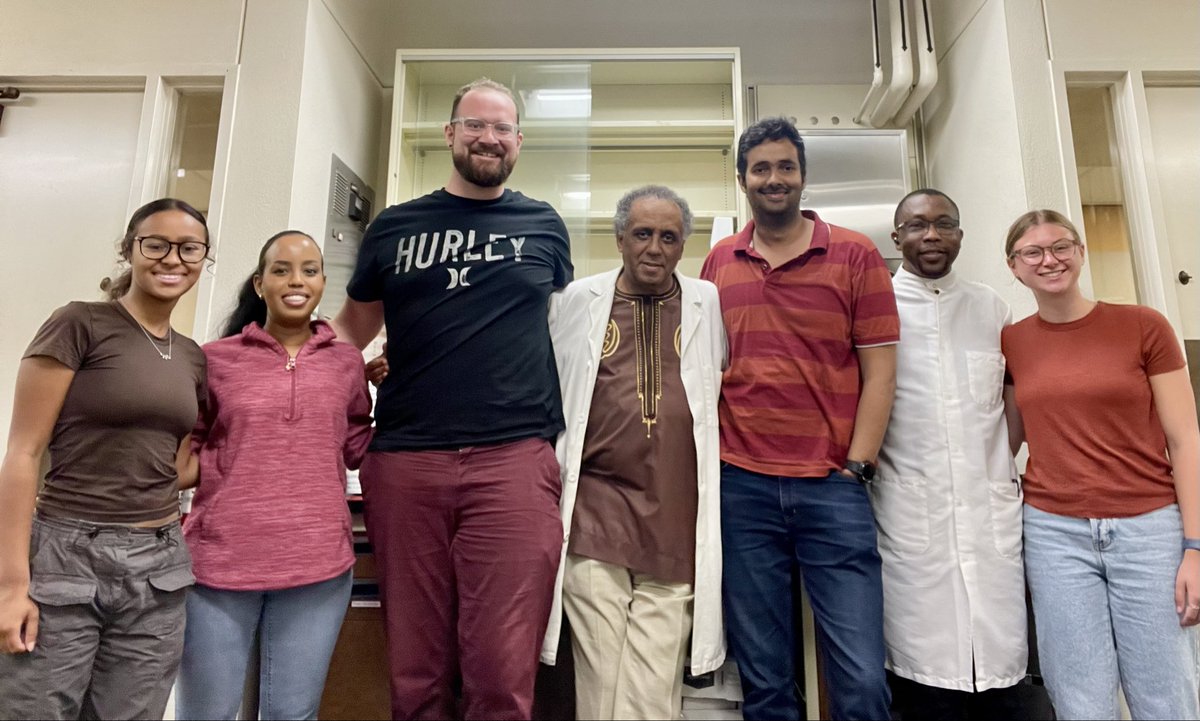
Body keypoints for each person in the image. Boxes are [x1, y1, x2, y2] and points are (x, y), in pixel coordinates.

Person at [329, 77, 573, 720]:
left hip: (514, 462)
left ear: (518, 141)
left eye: (502, 128)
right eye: (475, 124)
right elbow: (348, 335)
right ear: (450, 134)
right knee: (416, 671)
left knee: (501, 673)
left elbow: (565, 329)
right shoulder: (394, 228)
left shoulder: (544, 225)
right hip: (408, 461)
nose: (488, 137)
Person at [700, 116, 898, 720]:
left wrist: (856, 467)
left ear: (804, 175)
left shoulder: (855, 254)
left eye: (786, 166)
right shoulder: (719, 262)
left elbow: (881, 374)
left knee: (862, 680)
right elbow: (707, 371)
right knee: (765, 682)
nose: (774, 178)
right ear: (742, 180)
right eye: (761, 168)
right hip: (743, 488)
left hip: (832, 489)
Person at [0, 198, 208, 720]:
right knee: (34, 711)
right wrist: (10, 586)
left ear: (204, 258)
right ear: (129, 251)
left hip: (160, 565)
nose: (172, 259)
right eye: (155, 244)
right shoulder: (79, 323)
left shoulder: (191, 355)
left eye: (189, 248)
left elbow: (174, 463)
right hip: (66, 555)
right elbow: (23, 453)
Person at [1001, 209, 1200, 720]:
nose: (1050, 260)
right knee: (1079, 696)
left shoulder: (1143, 326)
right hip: (1053, 535)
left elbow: (1185, 440)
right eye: (1033, 252)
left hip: (1150, 530)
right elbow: (1002, 442)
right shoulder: (1012, 343)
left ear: (1081, 253)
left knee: (1166, 693)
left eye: (1062, 246)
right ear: (1014, 267)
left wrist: (1195, 548)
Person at [541, 185, 726, 719]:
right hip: (595, 513)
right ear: (620, 239)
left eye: (669, 237)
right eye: (642, 234)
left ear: (683, 246)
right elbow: (545, 383)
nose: (655, 247)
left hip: (675, 521)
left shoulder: (705, 301)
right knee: (602, 674)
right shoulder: (577, 300)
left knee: (652, 683)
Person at [175, 231, 373, 720]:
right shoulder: (213, 358)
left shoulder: (347, 362)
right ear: (260, 284)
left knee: (292, 714)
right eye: (281, 270)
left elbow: (357, 448)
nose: (296, 280)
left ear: (324, 282)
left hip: (317, 569)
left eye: (309, 270)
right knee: (206, 713)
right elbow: (185, 454)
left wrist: (411, 385)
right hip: (219, 567)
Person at [874, 189, 1031, 720]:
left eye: (944, 224)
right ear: (897, 238)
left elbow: (1013, 397)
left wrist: (997, 469)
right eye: (917, 226)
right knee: (923, 680)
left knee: (1001, 678)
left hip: (989, 515)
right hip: (911, 515)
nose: (931, 235)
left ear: (961, 235)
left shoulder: (992, 308)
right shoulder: (876, 308)